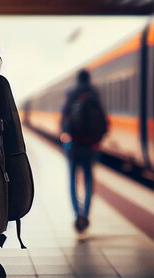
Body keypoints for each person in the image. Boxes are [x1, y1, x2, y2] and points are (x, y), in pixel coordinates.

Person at [60, 69, 108, 233]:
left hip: (73, 145)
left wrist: (65, 137)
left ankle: (77, 214)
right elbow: (103, 121)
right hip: (90, 146)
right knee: (88, 181)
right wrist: (97, 140)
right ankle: (86, 214)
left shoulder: (71, 93)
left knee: (72, 180)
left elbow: (64, 119)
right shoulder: (94, 93)